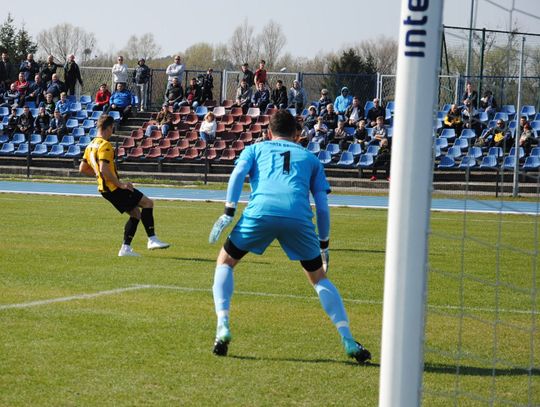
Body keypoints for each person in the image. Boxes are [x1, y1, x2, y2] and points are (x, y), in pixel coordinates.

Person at [207, 110, 371, 363]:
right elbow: (323, 207)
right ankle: (348, 339)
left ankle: (223, 326)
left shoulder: (255, 149)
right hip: (298, 217)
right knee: (318, 278)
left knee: (226, 262)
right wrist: (324, 244)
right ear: (297, 134)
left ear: (268, 132)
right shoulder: (311, 158)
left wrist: (228, 211)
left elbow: (238, 174)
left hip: (260, 212)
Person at [79, 115, 170, 257]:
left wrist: (99, 176)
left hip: (105, 190)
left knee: (135, 214)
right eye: (112, 129)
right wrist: (120, 184)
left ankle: (125, 249)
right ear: (108, 127)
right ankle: (152, 239)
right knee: (147, 203)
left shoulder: (90, 145)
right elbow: (103, 169)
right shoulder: (105, 145)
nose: (112, 131)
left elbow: (82, 168)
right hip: (113, 188)